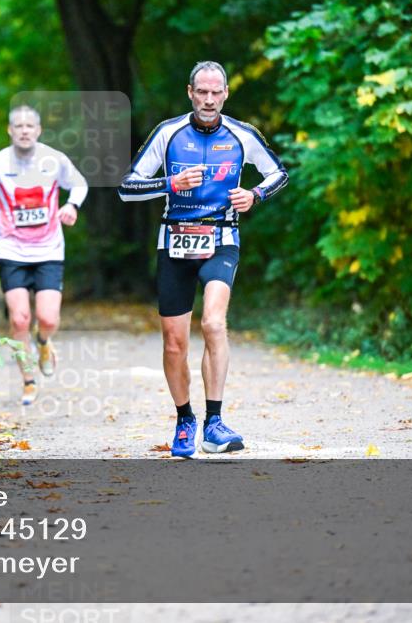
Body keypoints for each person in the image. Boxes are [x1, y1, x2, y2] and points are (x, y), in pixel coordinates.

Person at [118, 60, 288, 457]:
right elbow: (127, 188)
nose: (209, 100)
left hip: (221, 238)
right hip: (174, 239)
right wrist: (169, 183)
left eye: (216, 92)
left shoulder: (242, 135)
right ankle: (185, 419)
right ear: (190, 93)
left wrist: (255, 195)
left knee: (213, 322)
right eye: (202, 92)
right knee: (175, 343)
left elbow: (277, 173)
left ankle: (214, 421)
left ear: (226, 94)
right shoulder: (168, 132)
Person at [0, 105, 88, 405]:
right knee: (19, 320)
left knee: (47, 318)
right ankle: (29, 381)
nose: (23, 130)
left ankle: (44, 341)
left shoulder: (54, 160)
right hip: (11, 249)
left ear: (38, 130)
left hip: (48, 249)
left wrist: (71, 206)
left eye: (29, 126)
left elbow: (80, 184)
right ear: (9, 130)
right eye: (17, 126)